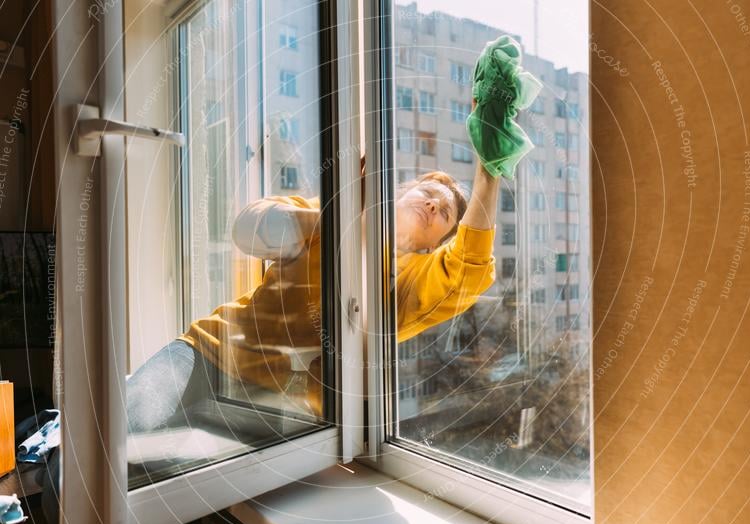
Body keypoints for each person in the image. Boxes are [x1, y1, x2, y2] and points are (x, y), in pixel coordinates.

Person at [125, 158, 501, 431]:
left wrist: (489, 170)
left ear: (435, 244)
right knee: (116, 435)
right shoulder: (333, 211)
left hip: (274, 402)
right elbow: (248, 229)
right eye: (429, 192)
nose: (433, 204)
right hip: (209, 350)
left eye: (444, 215)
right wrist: (339, 219)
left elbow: (467, 268)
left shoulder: (412, 285)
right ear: (404, 191)